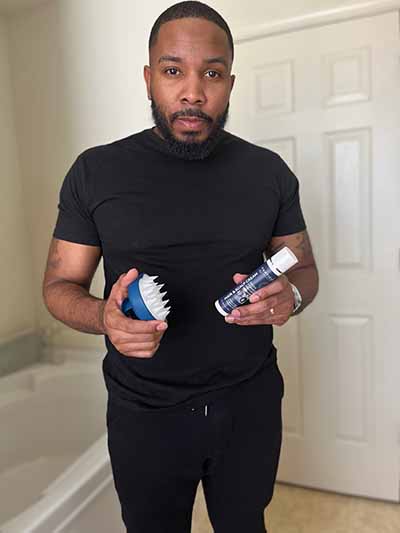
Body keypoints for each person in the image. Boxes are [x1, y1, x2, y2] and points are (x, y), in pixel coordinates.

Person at [42, 1, 319, 532]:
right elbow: (59, 285)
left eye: (211, 73)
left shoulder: (269, 173)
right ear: (149, 79)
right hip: (145, 415)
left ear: (231, 83)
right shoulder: (95, 173)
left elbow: (304, 270)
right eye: (173, 71)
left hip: (250, 406)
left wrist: (292, 297)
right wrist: (105, 317)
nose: (193, 91)